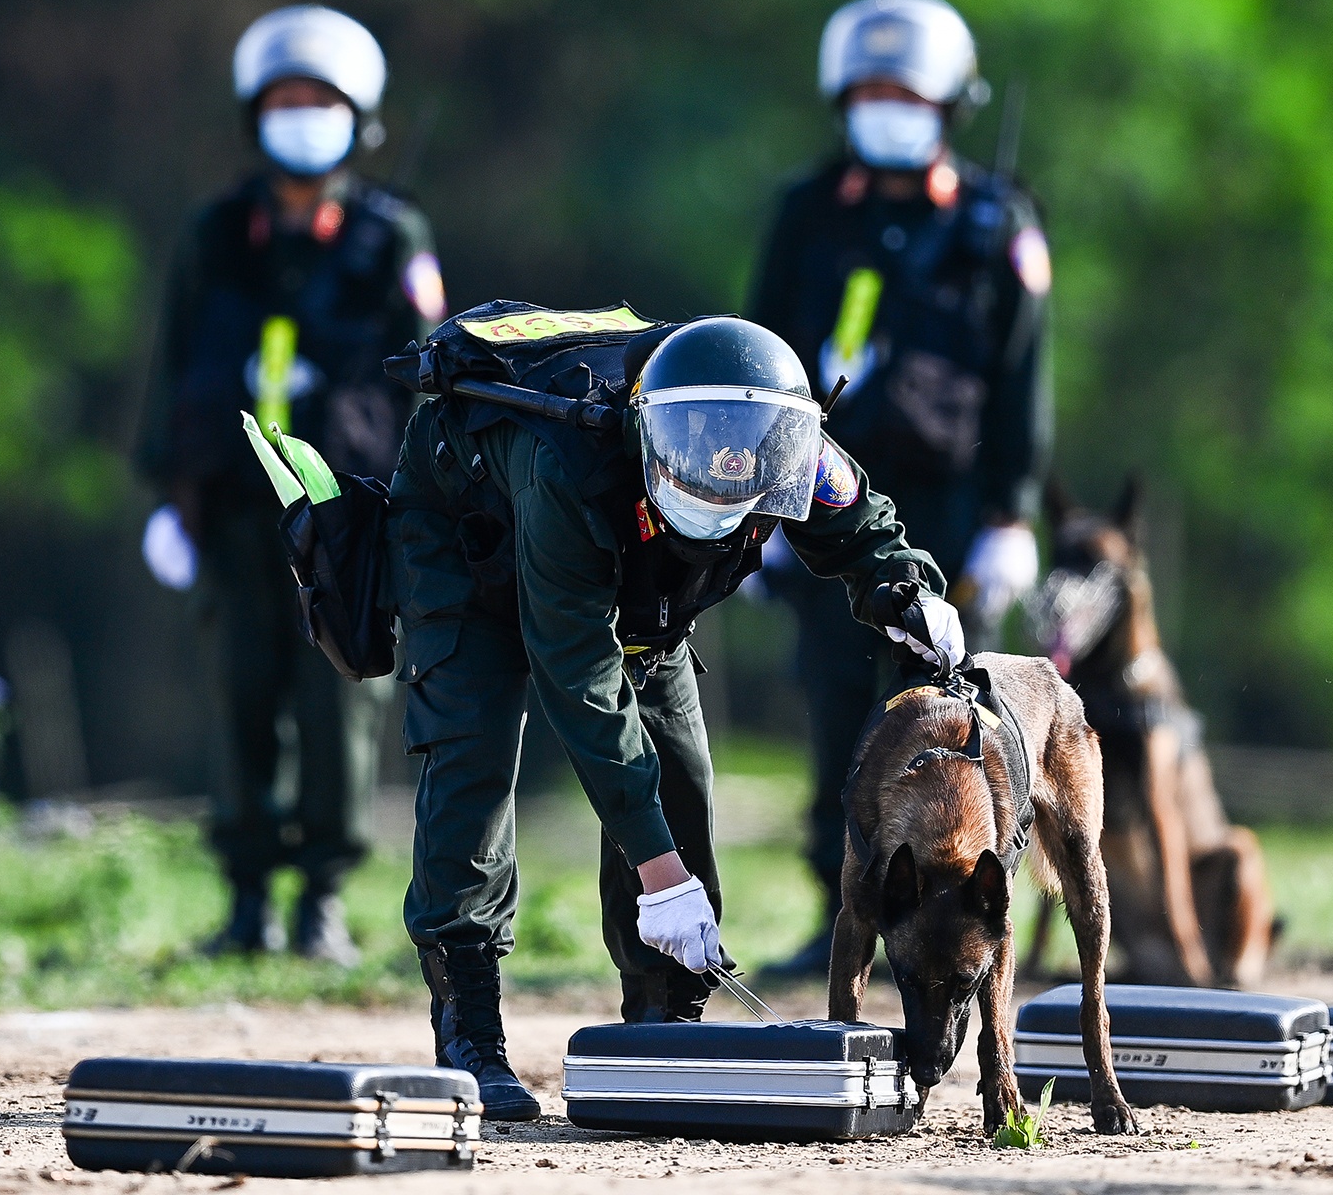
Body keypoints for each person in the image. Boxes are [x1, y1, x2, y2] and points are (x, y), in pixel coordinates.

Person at [386, 306, 961, 1120]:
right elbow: (581, 684)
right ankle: (469, 1026)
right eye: (698, 461)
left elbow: (864, 527)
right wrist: (660, 876)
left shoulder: (784, 440)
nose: (720, 473)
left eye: (741, 470)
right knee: (473, 761)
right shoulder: (569, 468)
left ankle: (665, 1016)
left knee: (679, 773)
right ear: (649, 433)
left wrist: (907, 591)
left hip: (638, 570)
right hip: (468, 538)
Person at [748, 0, 1053, 976]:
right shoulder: (806, 214)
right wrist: (750, 504)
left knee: (942, 722)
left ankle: (949, 907)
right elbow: (761, 355)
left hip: (951, 513)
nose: (888, 108)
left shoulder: (997, 223)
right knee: (839, 718)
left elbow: (1021, 380)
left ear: (949, 104)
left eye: (907, 92)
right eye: (870, 91)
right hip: (822, 507)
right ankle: (838, 913)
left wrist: (1013, 511)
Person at [136, 5, 444, 964]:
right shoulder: (216, 234)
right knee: (240, 696)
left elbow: (426, 384)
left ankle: (321, 901)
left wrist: (422, 506)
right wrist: (166, 493)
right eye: (285, 101)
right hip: (231, 511)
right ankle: (245, 901)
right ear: (253, 114)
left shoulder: (391, 239)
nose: (302, 117)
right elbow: (172, 362)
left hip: (346, 519)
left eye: (322, 102)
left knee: (337, 707)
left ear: (360, 119)